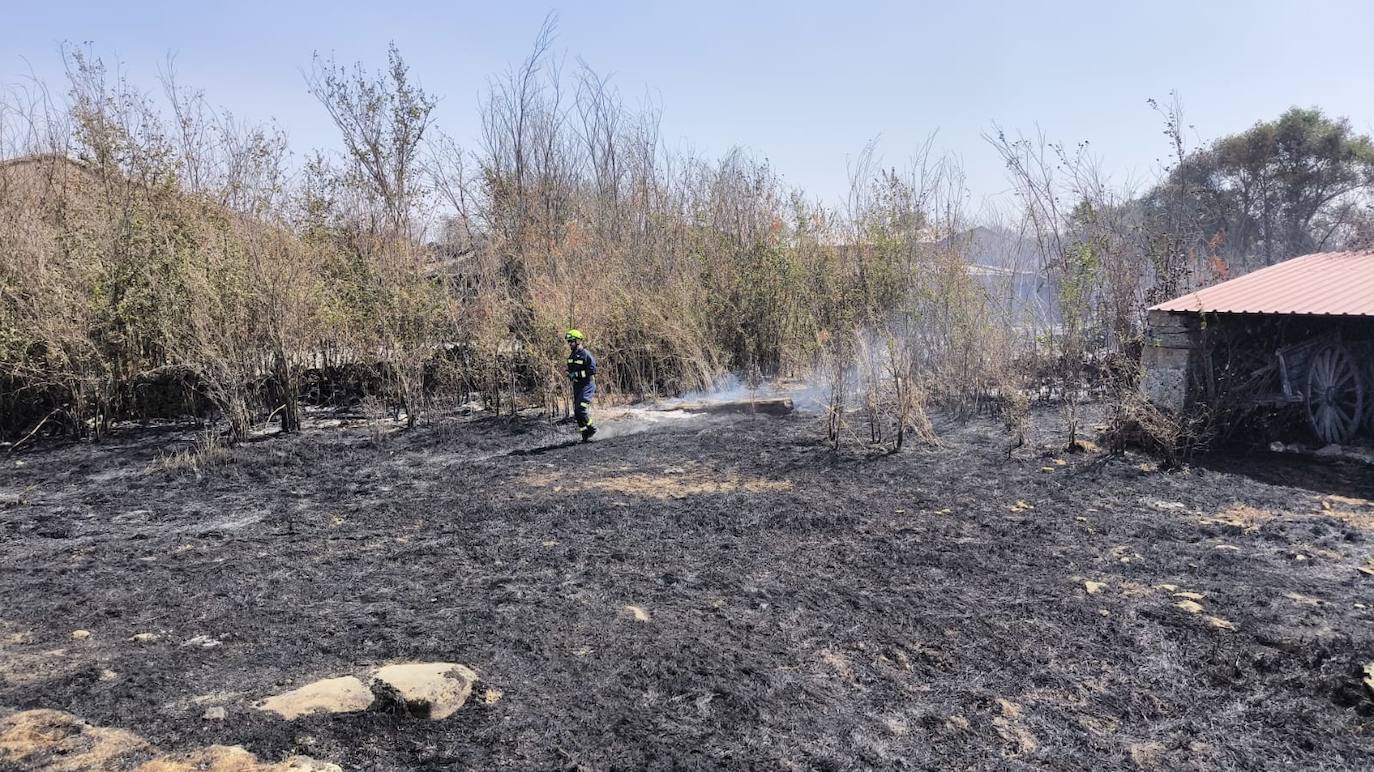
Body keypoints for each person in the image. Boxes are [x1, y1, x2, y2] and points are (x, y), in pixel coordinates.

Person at [565, 329, 597, 442]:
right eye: (568, 342)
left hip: (587, 385)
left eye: (571, 341)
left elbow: (592, 370)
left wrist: (577, 374)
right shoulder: (572, 356)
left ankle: (592, 429)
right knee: (577, 413)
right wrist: (569, 374)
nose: (569, 344)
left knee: (581, 409)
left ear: (578, 341)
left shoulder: (586, 354)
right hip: (577, 386)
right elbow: (571, 370)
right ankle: (584, 433)